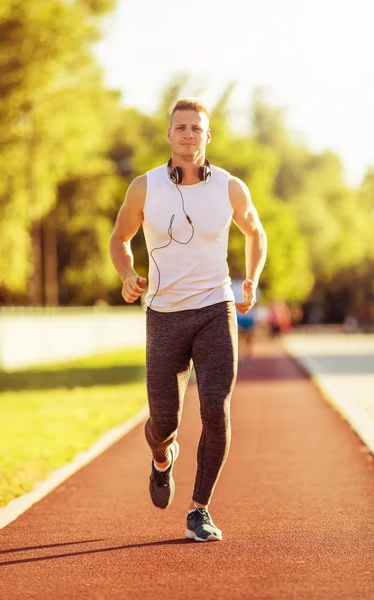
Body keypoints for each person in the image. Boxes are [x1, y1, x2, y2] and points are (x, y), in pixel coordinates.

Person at [109, 97, 267, 542]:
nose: (188, 134)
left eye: (196, 128)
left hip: (215, 310)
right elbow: (120, 237)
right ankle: (163, 457)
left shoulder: (230, 187)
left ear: (207, 136)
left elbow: (255, 230)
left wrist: (251, 279)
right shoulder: (145, 187)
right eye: (181, 127)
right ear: (169, 134)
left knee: (216, 410)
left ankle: (200, 509)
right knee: (164, 423)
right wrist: (126, 274)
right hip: (163, 315)